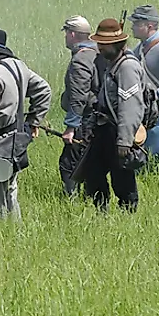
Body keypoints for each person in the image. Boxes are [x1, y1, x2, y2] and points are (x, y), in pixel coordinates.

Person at [0, 27, 52, 218]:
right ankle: (16, 230)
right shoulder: (18, 66)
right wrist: (33, 122)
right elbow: (44, 90)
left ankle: (1, 229)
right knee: (11, 189)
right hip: (16, 139)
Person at [82, 18, 147, 211]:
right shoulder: (113, 63)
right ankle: (100, 213)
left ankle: (128, 216)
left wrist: (124, 140)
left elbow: (131, 106)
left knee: (123, 180)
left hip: (117, 132)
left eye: (103, 44)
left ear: (115, 44)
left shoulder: (127, 67)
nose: (99, 48)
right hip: (104, 129)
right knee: (94, 175)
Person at [129, 5, 159, 169]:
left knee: (158, 151)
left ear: (149, 26)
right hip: (146, 107)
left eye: (136, 23)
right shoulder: (141, 47)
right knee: (147, 148)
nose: (132, 26)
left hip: (158, 109)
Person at [59, 16, 98, 195]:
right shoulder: (98, 52)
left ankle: (72, 201)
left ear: (72, 34)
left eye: (66, 33)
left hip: (85, 119)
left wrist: (71, 127)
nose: (65, 36)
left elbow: (78, 96)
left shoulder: (80, 59)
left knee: (68, 164)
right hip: (96, 116)